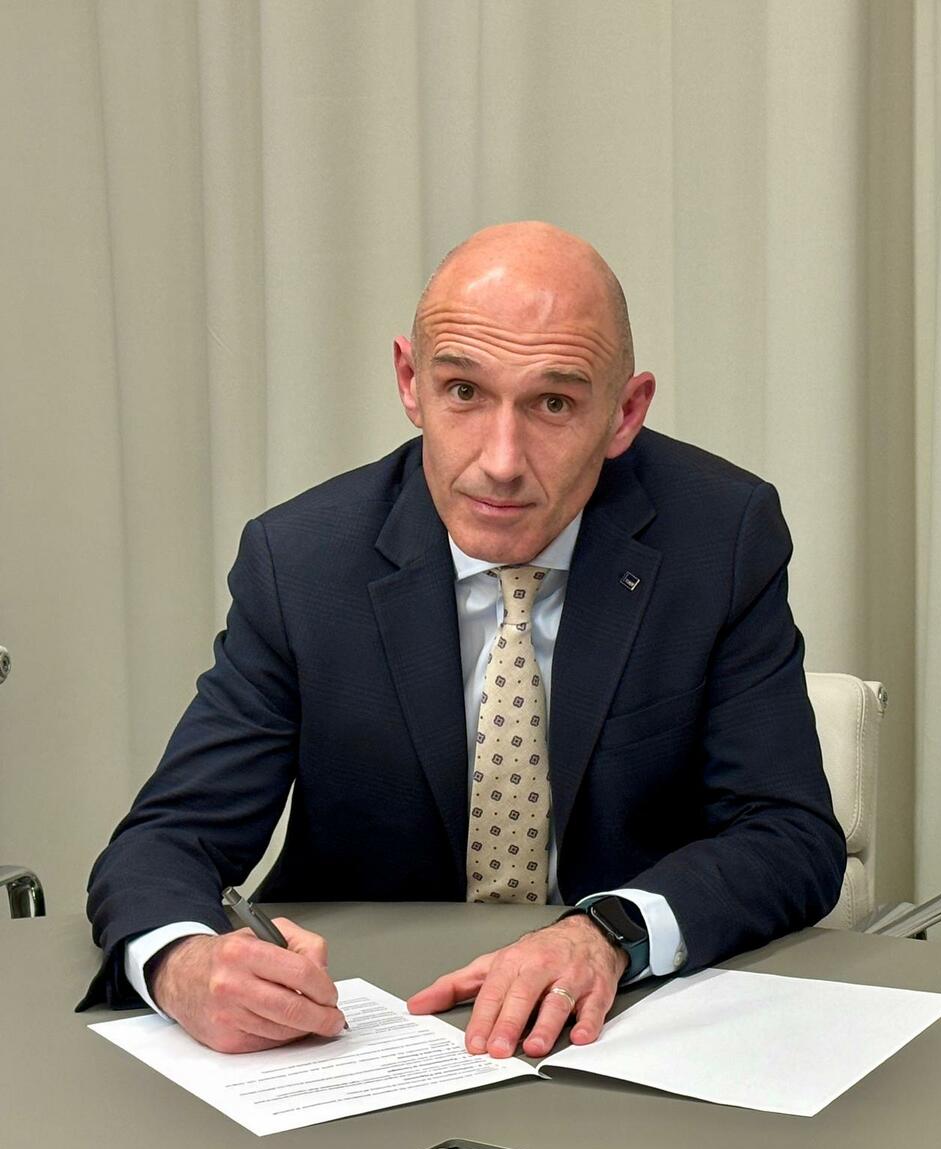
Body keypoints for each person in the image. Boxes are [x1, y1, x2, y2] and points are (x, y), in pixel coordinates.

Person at [81, 221, 845, 1058]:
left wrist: (610, 933)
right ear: (410, 383)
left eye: (554, 404)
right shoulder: (301, 562)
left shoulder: (720, 537)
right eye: (464, 392)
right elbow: (166, 840)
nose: (501, 462)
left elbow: (789, 834)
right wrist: (184, 965)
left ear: (624, 413)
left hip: (616, 1024)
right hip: (361, 1031)